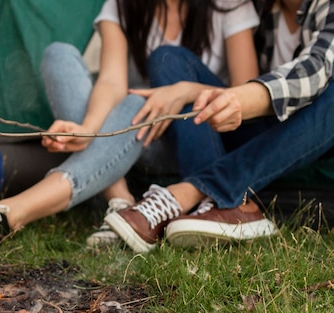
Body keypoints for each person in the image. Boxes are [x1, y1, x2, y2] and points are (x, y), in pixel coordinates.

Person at [0, 0, 260, 251]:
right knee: (60, 55)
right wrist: (87, 128)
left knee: (137, 102)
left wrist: (185, 91)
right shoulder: (123, 5)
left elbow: (251, 94)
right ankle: (121, 203)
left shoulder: (229, 5)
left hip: (182, 140)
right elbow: (111, 82)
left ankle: (12, 212)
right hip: (124, 134)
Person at [105, 0, 334, 253]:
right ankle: (224, 209)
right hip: (258, 128)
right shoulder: (261, 8)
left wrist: (237, 99)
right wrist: (188, 90)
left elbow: (315, 72)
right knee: (168, 59)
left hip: (315, 132)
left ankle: (193, 192)